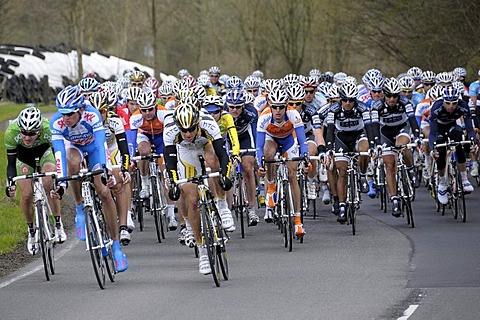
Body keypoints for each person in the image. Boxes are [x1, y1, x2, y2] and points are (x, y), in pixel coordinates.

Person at [50, 85, 128, 272]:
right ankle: (79, 207)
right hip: (74, 148)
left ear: (81, 109)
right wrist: (61, 183)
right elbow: (59, 154)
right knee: (72, 161)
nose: (65, 118)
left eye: (69, 114)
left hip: (93, 149)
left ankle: (116, 247)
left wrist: (106, 172)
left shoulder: (92, 115)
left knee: (104, 192)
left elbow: (102, 146)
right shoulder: (57, 123)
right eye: (62, 114)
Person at [164, 102, 233, 275]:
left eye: (191, 129)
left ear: (198, 123)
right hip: (186, 153)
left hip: (206, 145)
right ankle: (202, 249)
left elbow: (222, 154)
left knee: (214, 163)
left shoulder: (208, 123)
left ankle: (222, 205)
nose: (188, 133)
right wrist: (174, 184)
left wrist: (224, 175)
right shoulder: (171, 131)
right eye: (184, 130)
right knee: (192, 198)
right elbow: (170, 163)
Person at [5, 107, 67, 254]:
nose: (27, 137)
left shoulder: (48, 129)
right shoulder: (11, 133)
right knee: (26, 194)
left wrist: (58, 178)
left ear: (39, 129)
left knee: (48, 182)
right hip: (23, 157)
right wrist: (10, 183)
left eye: (32, 133)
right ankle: (31, 230)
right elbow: (11, 164)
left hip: (44, 152)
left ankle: (58, 223)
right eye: (24, 133)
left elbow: (57, 156)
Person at [256, 88, 309, 237]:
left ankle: (298, 221)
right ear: (270, 106)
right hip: (271, 139)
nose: (278, 111)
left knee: (293, 176)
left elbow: (303, 141)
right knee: (268, 153)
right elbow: (259, 147)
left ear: (286, 106)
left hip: (288, 140)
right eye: (274, 107)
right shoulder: (264, 117)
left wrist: (306, 157)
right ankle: (271, 187)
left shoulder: (293, 114)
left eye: (281, 107)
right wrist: (261, 165)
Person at [324, 82, 376, 223]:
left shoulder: (363, 108)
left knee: (364, 150)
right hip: (341, 138)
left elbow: (369, 127)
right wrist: (329, 149)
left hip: (359, 135)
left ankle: (363, 175)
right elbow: (329, 130)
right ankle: (342, 206)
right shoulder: (333, 110)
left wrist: (373, 146)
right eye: (345, 100)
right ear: (340, 99)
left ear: (355, 100)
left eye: (351, 100)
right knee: (342, 171)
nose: (348, 103)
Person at [370, 78, 421, 218]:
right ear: (384, 95)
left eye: (395, 96)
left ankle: (410, 170)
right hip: (385, 133)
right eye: (389, 96)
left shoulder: (406, 102)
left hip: (402, 129)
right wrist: (376, 144)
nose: (392, 99)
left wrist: (417, 136)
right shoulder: (376, 106)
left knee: (402, 146)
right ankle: (394, 199)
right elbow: (374, 127)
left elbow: (412, 120)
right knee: (389, 165)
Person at [129, 90, 179, 230]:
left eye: (150, 109)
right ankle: (145, 184)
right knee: (143, 152)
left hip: (162, 137)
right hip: (144, 136)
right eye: (144, 110)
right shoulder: (135, 117)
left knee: (166, 174)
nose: (147, 113)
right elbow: (132, 141)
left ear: (155, 106)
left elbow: (170, 137)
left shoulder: (165, 113)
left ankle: (171, 214)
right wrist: (133, 158)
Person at [90, 92, 134, 245]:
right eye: (95, 112)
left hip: (112, 150)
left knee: (118, 183)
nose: (98, 115)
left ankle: (122, 226)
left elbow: (124, 149)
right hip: (94, 152)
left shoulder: (115, 122)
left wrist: (125, 169)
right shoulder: (85, 124)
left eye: (101, 111)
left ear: (107, 111)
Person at [429, 87, 476, 205]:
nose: (451, 106)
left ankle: (464, 179)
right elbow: (432, 133)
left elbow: (470, 129)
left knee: (458, 142)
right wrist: (432, 148)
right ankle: (442, 184)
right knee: (440, 151)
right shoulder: (437, 106)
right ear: (443, 101)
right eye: (448, 103)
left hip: (452, 125)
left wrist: (473, 142)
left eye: (454, 103)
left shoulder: (463, 105)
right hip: (438, 128)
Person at [224, 89, 260, 225]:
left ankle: (251, 209)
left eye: (238, 107)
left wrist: (256, 151)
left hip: (245, 136)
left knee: (248, 168)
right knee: (225, 170)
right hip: (228, 136)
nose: (234, 110)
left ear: (243, 106)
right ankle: (226, 209)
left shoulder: (251, 112)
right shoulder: (222, 111)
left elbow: (255, 134)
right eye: (231, 107)